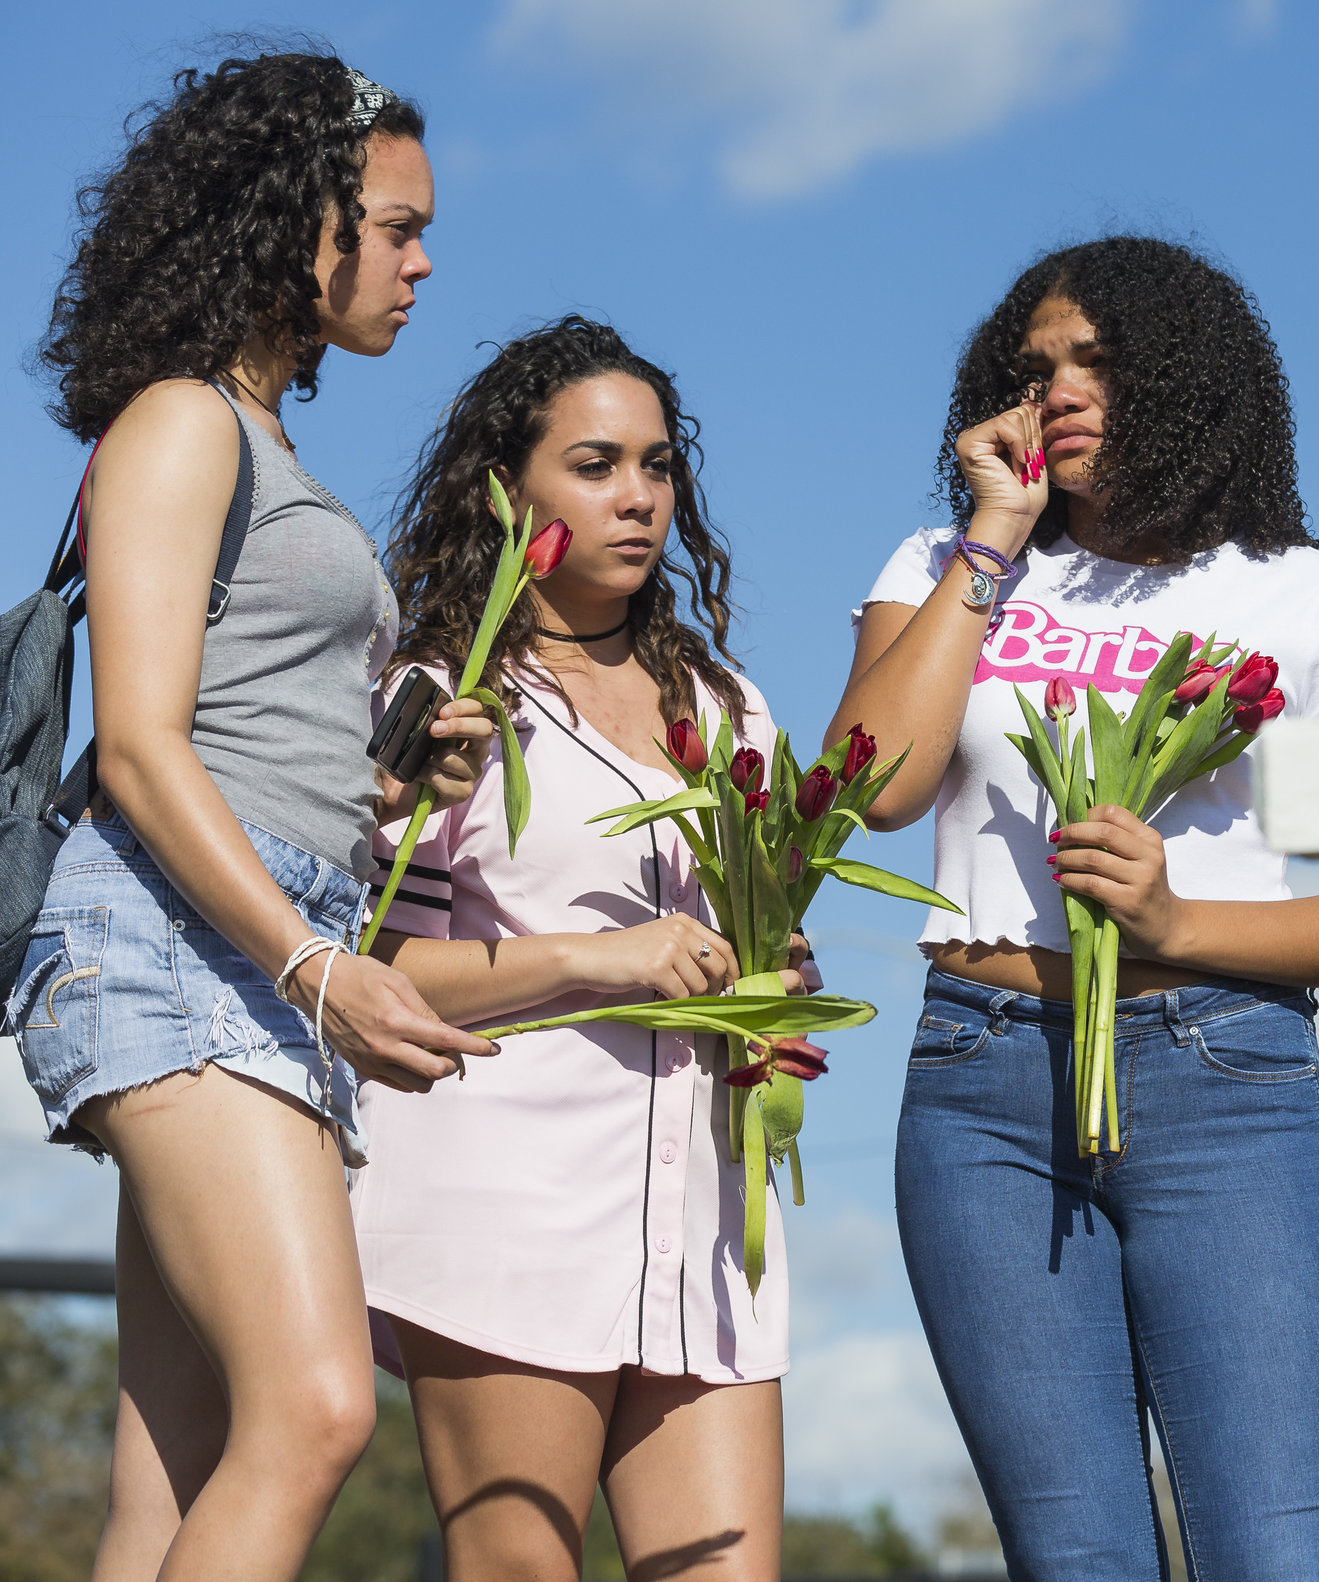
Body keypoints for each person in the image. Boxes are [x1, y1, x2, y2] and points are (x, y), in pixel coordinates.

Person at [832, 235, 1319, 1580]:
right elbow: (873, 787)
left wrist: (1177, 923)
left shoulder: (1303, 593)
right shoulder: (939, 561)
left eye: (1097, 363)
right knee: (1078, 1563)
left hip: (1222, 1084)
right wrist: (991, 540)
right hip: (980, 1089)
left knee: (1279, 1559)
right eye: (1036, 365)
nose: (1058, 388)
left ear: (1184, 380)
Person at [9, 51, 496, 1582]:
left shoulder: (268, 445)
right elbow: (144, 749)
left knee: (179, 1478)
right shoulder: (179, 422)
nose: (423, 263)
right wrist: (316, 966)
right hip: (178, 947)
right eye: (396, 225)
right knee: (313, 1405)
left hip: (249, 939)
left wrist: (392, 783)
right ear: (299, 221)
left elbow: (242, 740)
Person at [354, 318, 810, 1582]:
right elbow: (383, 983)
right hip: (505, 1204)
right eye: (597, 465)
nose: (640, 499)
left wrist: (775, 978)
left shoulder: (724, 707)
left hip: (708, 1221)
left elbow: (760, 931)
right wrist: (599, 960)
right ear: (511, 493)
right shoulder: (442, 694)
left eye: (658, 467)